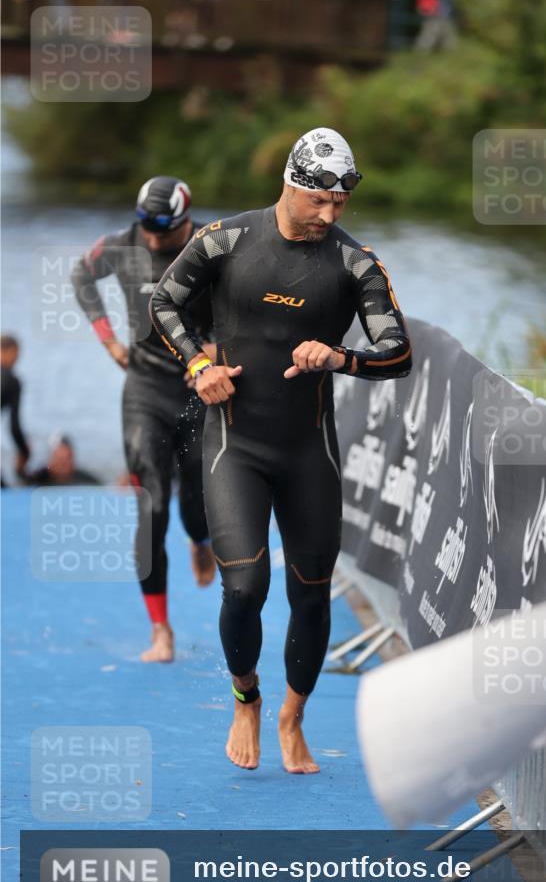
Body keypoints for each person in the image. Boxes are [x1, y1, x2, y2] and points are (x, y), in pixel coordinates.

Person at [151, 128, 412, 774]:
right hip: (235, 444)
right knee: (244, 588)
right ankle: (247, 700)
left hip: (308, 451)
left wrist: (339, 355)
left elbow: (397, 351)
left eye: (340, 206)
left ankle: (293, 714)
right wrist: (197, 365)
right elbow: (165, 303)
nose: (328, 216)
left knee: (311, 592)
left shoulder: (354, 264)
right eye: (318, 201)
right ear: (291, 184)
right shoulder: (225, 240)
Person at [71, 176, 216, 664]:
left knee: (196, 503)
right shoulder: (124, 244)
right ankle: (161, 631)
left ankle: (201, 540)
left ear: (185, 220)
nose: (153, 241)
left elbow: (248, 306)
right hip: (144, 388)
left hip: (198, 388)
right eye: (147, 230)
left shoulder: (209, 247)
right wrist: (109, 341)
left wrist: (221, 349)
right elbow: (80, 276)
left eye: (163, 232)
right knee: (150, 506)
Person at [1, 335, 30, 484]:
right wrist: (25, 452)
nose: (16, 360)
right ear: (10, 351)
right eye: (16, 355)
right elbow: (14, 428)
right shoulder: (12, 382)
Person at [25, 435, 101, 487]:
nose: (63, 465)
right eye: (59, 460)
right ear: (50, 460)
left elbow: (102, 488)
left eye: (67, 460)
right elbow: (22, 478)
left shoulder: (84, 479)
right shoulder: (40, 477)